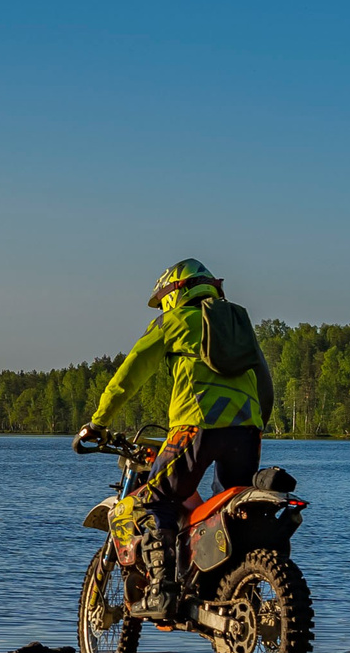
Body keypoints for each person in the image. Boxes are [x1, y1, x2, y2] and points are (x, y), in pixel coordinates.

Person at [74, 258, 275, 617]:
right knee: (228, 511)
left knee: (157, 499)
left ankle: (162, 591)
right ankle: (230, 588)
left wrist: (98, 422)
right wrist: (257, 422)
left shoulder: (174, 322)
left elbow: (129, 374)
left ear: (175, 292)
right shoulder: (236, 322)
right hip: (247, 431)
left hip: (195, 427)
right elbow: (264, 378)